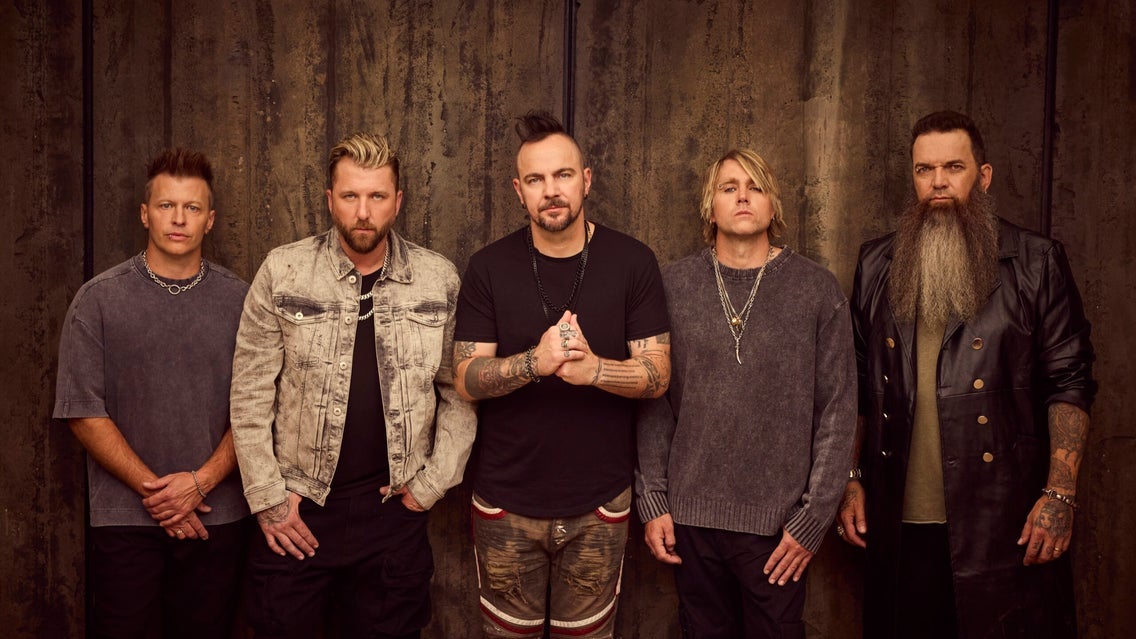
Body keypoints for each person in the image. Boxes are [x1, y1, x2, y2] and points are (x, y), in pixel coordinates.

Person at [838, 110, 1096, 638]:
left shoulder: (1035, 262)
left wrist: (1059, 495)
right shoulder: (877, 263)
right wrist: (849, 479)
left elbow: (1069, 383)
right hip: (897, 522)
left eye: (953, 167)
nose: (938, 182)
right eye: (924, 169)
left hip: (1001, 521)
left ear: (983, 176)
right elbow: (856, 388)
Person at [229, 132, 476, 638]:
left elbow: (459, 392)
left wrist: (429, 487)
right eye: (350, 196)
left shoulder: (437, 279)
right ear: (330, 199)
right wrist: (270, 500)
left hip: (392, 515)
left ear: (398, 201)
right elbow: (250, 393)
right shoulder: (284, 271)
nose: (363, 212)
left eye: (377, 196)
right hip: (298, 511)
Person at [453, 110, 671, 638]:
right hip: (505, 503)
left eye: (563, 175)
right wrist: (535, 362)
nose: (551, 191)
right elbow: (465, 378)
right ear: (518, 190)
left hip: (600, 504)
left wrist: (594, 370)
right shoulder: (488, 267)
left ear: (586, 180)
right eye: (535, 179)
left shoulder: (633, 262)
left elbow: (659, 374)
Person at [635, 148, 856, 638]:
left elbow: (838, 412)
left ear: (773, 206)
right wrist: (653, 501)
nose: (742, 196)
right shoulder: (672, 286)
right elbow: (654, 404)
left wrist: (812, 520)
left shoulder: (816, 290)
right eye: (729, 187)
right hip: (690, 522)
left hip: (779, 530)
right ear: (709, 207)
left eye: (755, 187)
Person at [53, 148, 250, 638]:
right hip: (126, 522)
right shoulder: (98, 300)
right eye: (166, 206)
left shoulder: (243, 302)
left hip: (217, 517)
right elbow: (82, 411)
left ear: (209, 220)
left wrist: (199, 484)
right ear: (145, 214)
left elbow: (259, 408)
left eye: (192, 207)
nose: (178, 218)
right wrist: (161, 496)